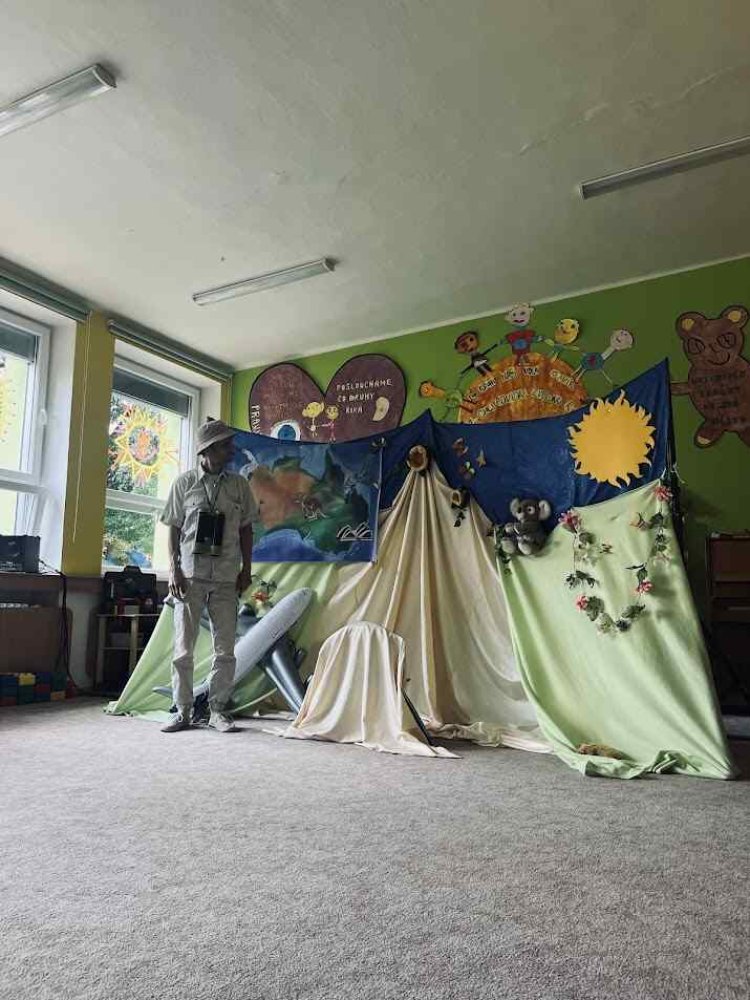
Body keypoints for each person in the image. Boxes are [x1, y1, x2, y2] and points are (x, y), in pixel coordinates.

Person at [159, 419, 257, 733]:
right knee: (183, 649)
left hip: (227, 576)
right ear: (208, 449)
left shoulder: (239, 485)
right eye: (225, 445)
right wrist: (174, 569)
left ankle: (218, 710)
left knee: (225, 649)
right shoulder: (184, 483)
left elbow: (246, 530)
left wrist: (246, 570)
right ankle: (182, 711)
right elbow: (173, 528)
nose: (231, 451)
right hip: (190, 576)